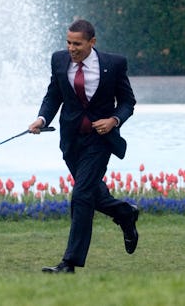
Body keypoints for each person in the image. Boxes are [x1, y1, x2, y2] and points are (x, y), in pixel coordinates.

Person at [28, 19, 138, 274]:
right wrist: (42, 118)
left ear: (92, 42)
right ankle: (124, 213)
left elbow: (127, 102)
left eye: (77, 43)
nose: (71, 48)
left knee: (81, 196)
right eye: (68, 42)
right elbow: (54, 95)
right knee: (93, 194)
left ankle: (70, 262)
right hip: (71, 140)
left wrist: (113, 120)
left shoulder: (114, 64)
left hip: (99, 141)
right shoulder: (58, 60)